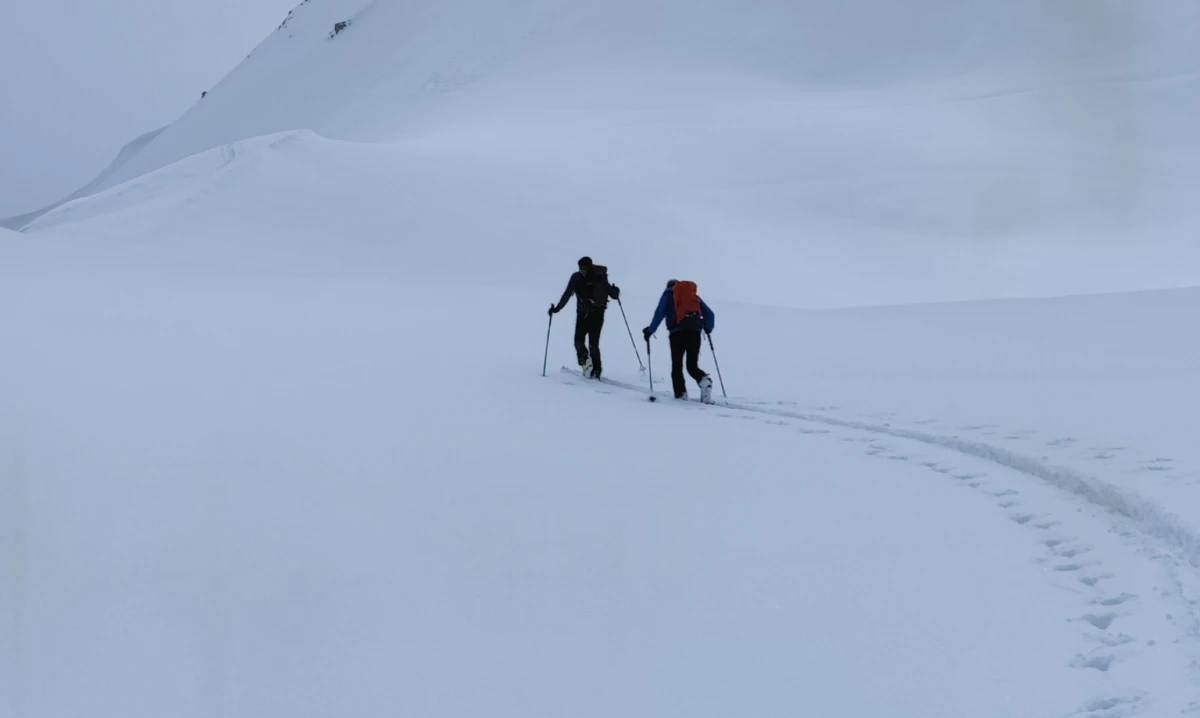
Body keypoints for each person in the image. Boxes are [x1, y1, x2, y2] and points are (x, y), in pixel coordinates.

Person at [643, 279, 715, 402]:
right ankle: (703, 380)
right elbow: (710, 314)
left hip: (677, 334)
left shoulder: (668, 295)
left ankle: (681, 394)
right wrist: (708, 328)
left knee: (677, 365)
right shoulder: (693, 296)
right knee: (692, 365)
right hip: (695, 333)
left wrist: (650, 330)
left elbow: (659, 312)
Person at [549, 257, 620, 379]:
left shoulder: (576, 277)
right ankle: (596, 370)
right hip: (598, 313)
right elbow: (613, 295)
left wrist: (557, 309)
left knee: (578, 341)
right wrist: (616, 290)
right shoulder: (600, 276)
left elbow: (567, 294)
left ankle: (585, 361)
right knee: (594, 344)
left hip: (583, 314)